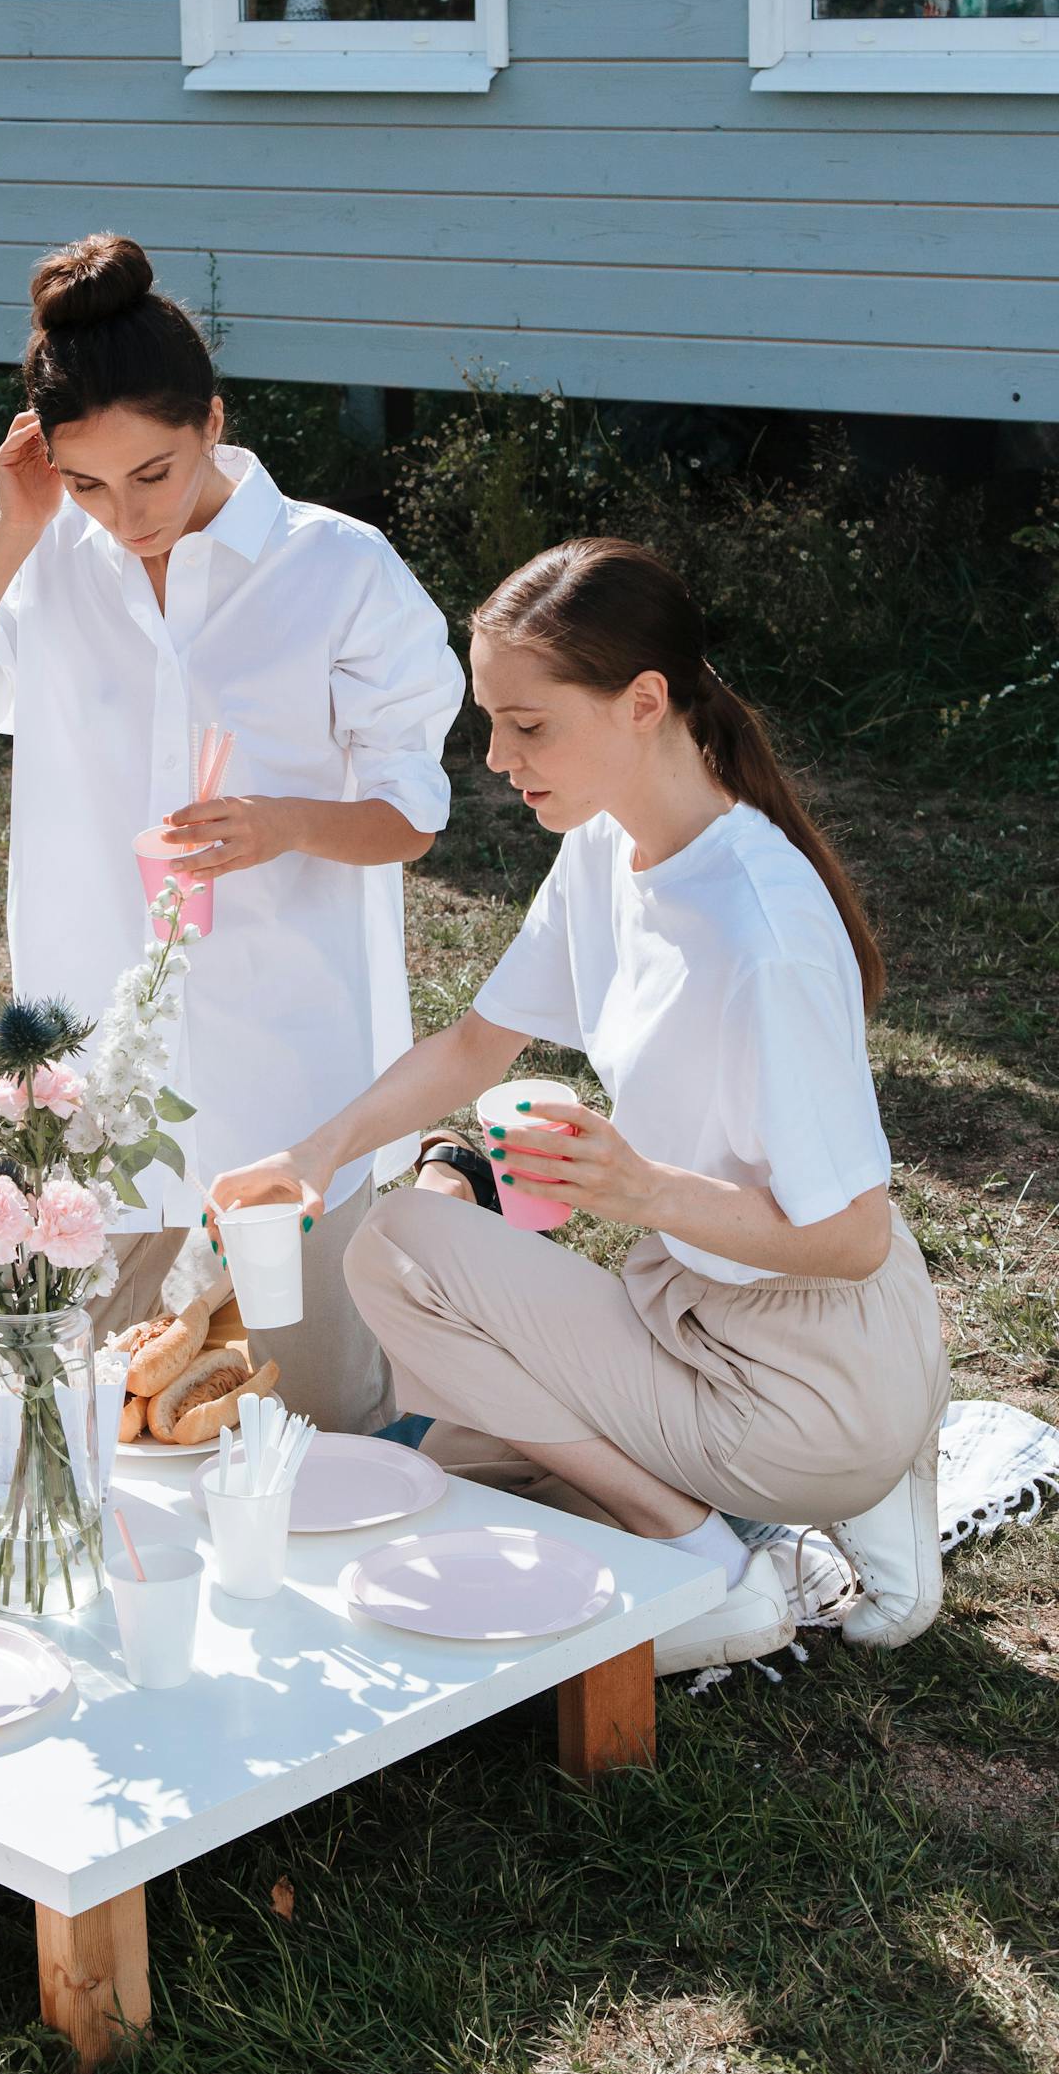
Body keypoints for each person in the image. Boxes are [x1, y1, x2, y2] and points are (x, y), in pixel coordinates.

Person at [208, 538, 949, 1674]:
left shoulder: (764, 933)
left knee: (401, 1249)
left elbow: (852, 1236)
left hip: (801, 1373)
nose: (498, 757)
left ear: (644, 701)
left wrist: (642, 1188)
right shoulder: (612, 845)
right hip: (707, 1316)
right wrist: (316, 1154)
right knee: (455, 1452)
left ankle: (709, 1555)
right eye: (490, 722)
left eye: (529, 725)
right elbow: (475, 1046)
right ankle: (856, 1475)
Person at [0, 233, 464, 1430]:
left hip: (289, 1051)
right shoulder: (44, 562)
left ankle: (447, 1186)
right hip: (99, 1063)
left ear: (215, 422)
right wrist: (19, 528)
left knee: (323, 1422)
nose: (127, 514)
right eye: (88, 482)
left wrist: (285, 823)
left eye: (155, 473)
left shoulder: (337, 570)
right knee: (70, 1412)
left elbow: (411, 817)